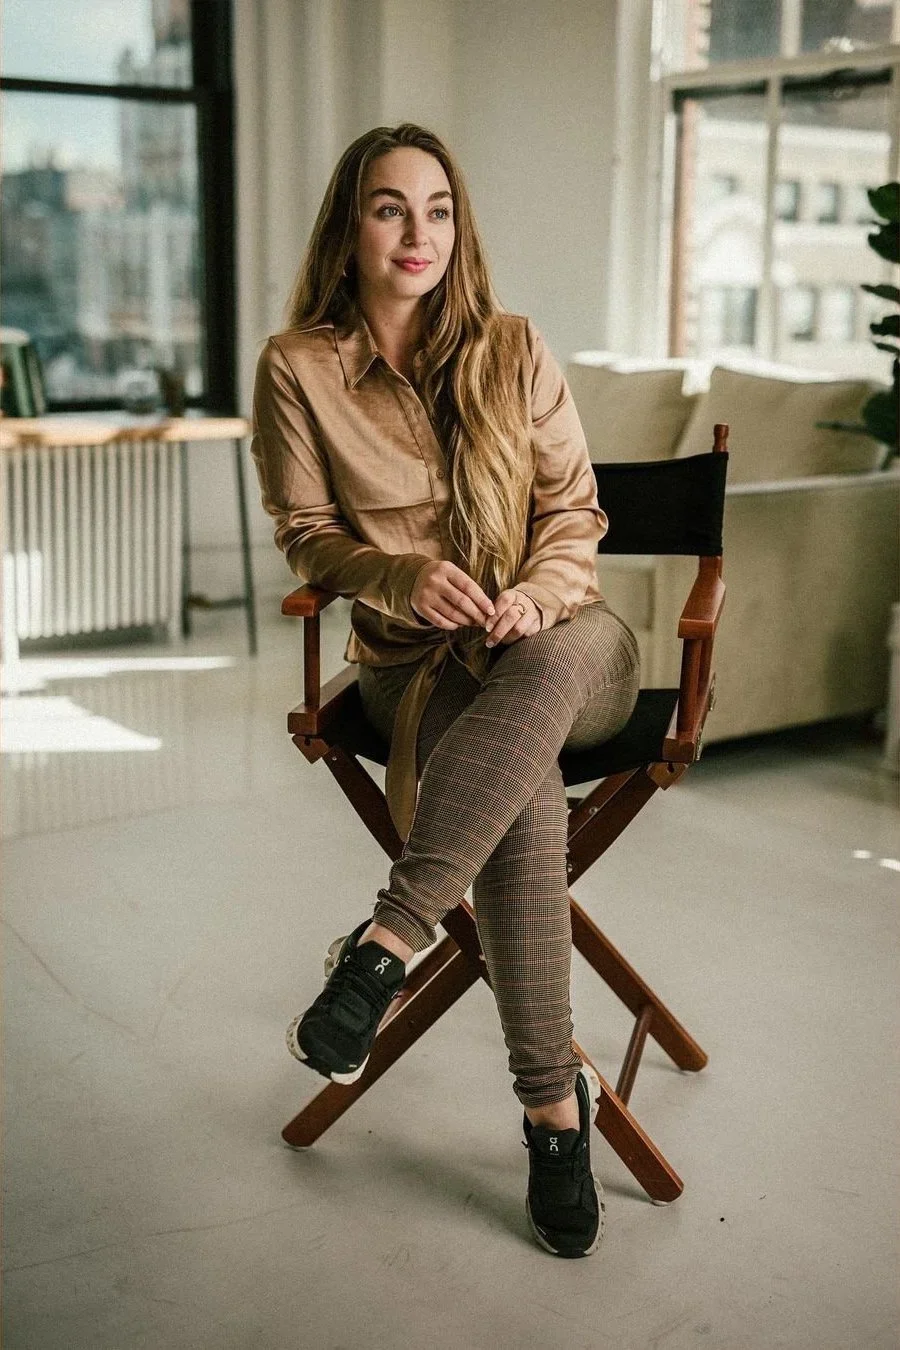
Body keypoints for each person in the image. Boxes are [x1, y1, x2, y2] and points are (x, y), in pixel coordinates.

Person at [251, 122, 640, 1259]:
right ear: (351, 224)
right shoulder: (298, 368)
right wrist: (402, 575)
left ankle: (386, 945)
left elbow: (577, 516)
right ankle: (552, 1115)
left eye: (437, 209)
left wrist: (539, 594)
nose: (417, 232)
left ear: (458, 227)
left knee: (544, 677)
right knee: (515, 796)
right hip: (418, 670)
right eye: (389, 207)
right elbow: (310, 537)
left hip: (572, 646)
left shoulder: (515, 348)